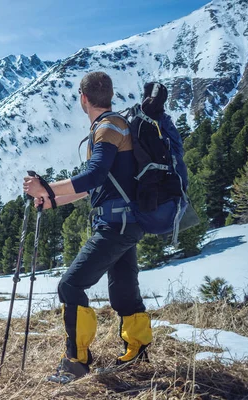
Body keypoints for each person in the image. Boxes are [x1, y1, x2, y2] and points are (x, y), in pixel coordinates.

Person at [23, 71, 152, 384]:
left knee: (70, 285)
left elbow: (93, 176)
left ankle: (77, 360)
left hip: (116, 225)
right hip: (126, 222)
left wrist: (46, 186)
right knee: (122, 291)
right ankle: (137, 349)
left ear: (83, 98)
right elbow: (93, 187)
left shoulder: (108, 126)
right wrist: (52, 200)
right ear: (108, 94)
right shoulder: (115, 125)